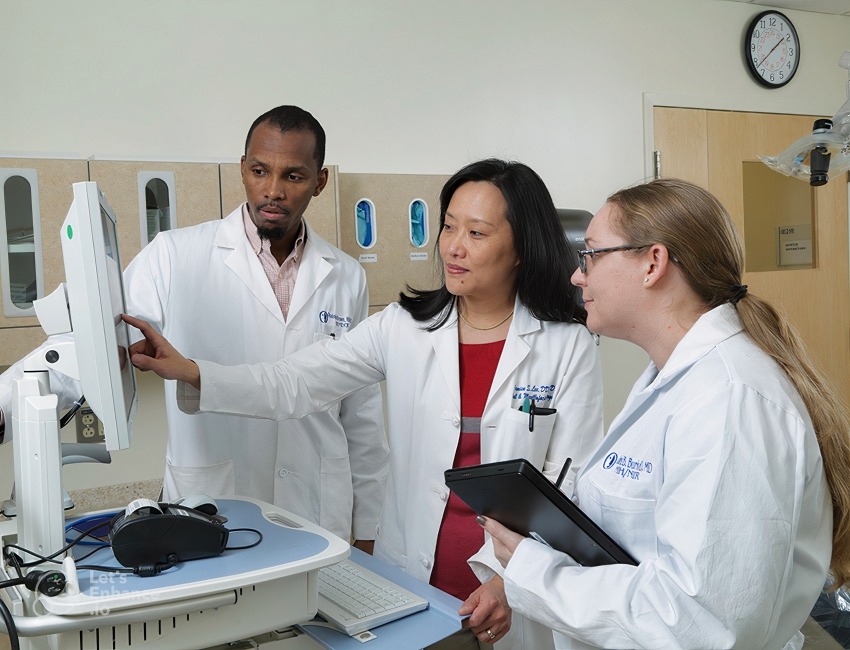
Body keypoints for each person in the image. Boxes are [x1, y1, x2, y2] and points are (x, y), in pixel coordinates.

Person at [122, 158, 606, 649]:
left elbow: (571, 490)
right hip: (413, 578)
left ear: (521, 247)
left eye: (477, 234)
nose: (453, 247)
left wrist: (512, 580)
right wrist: (192, 372)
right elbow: (294, 382)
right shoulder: (403, 327)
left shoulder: (566, 346)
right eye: (448, 226)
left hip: (509, 589)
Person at [476, 177, 850, 650]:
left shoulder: (728, 401)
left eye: (590, 254)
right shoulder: (670, 380)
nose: (577, 275)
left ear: (653, 263)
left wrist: (535, 573)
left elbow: (701, 623)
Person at [0, 105, 389, 550]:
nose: (273, 190)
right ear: (242, 169)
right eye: (260, 171)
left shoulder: (346, 275)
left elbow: (361, 417)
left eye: (294, 177)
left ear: (319, 181)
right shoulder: (174, 255)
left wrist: (367, 530)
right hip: (216, 499)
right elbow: (90, 344)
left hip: (318, 508)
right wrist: (5, 408)